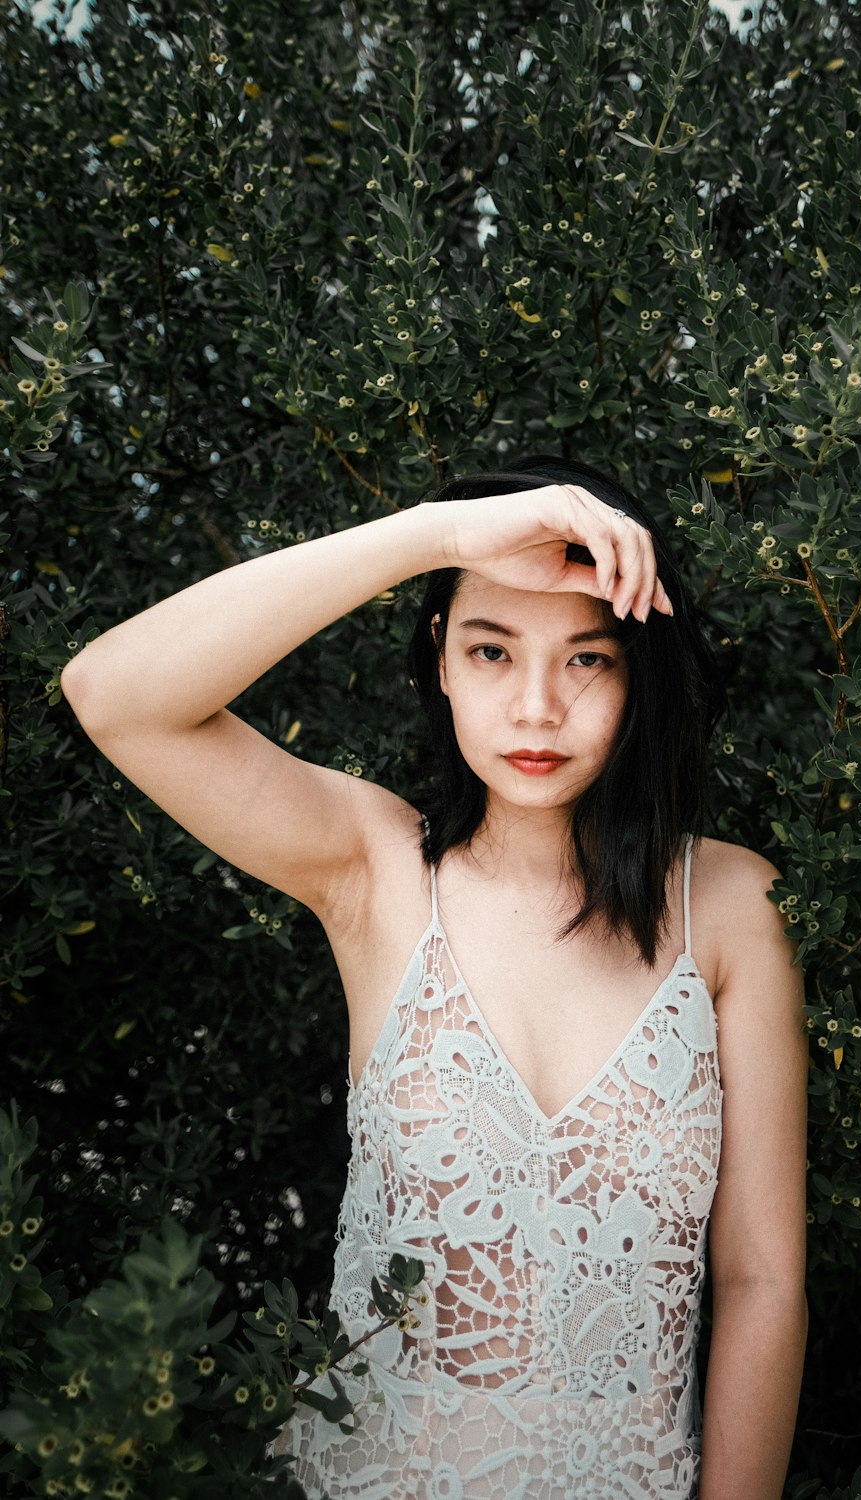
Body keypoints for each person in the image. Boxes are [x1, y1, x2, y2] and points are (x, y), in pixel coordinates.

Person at [60, 453, 808, 1500]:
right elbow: (113, 696)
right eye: (491, 650)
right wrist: (440, 537)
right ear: (441, 662)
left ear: (638, 678)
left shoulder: (725, 907)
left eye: (587, 660)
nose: (537, 708)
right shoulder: (374, 869)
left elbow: (761, 1280)